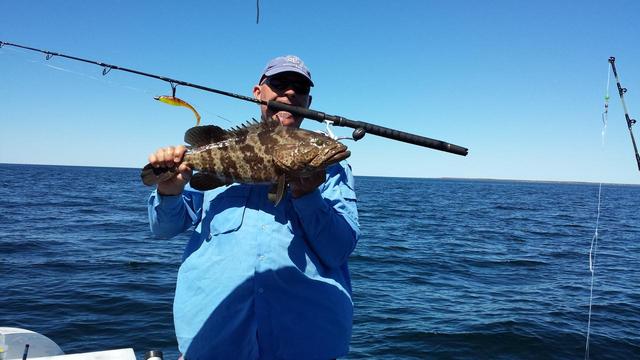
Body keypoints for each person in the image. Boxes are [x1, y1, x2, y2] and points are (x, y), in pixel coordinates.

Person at [146, 55, 360, 360]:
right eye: (279, 83)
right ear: (258, 92)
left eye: (298, 87)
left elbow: (338, 250)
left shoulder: (334, 171)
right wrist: (169, 190)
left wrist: (308, 193)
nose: (289, 93)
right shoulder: (221, 150)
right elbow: (164, 228)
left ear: (307, 101)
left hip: (305, 342)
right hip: (214, 339)